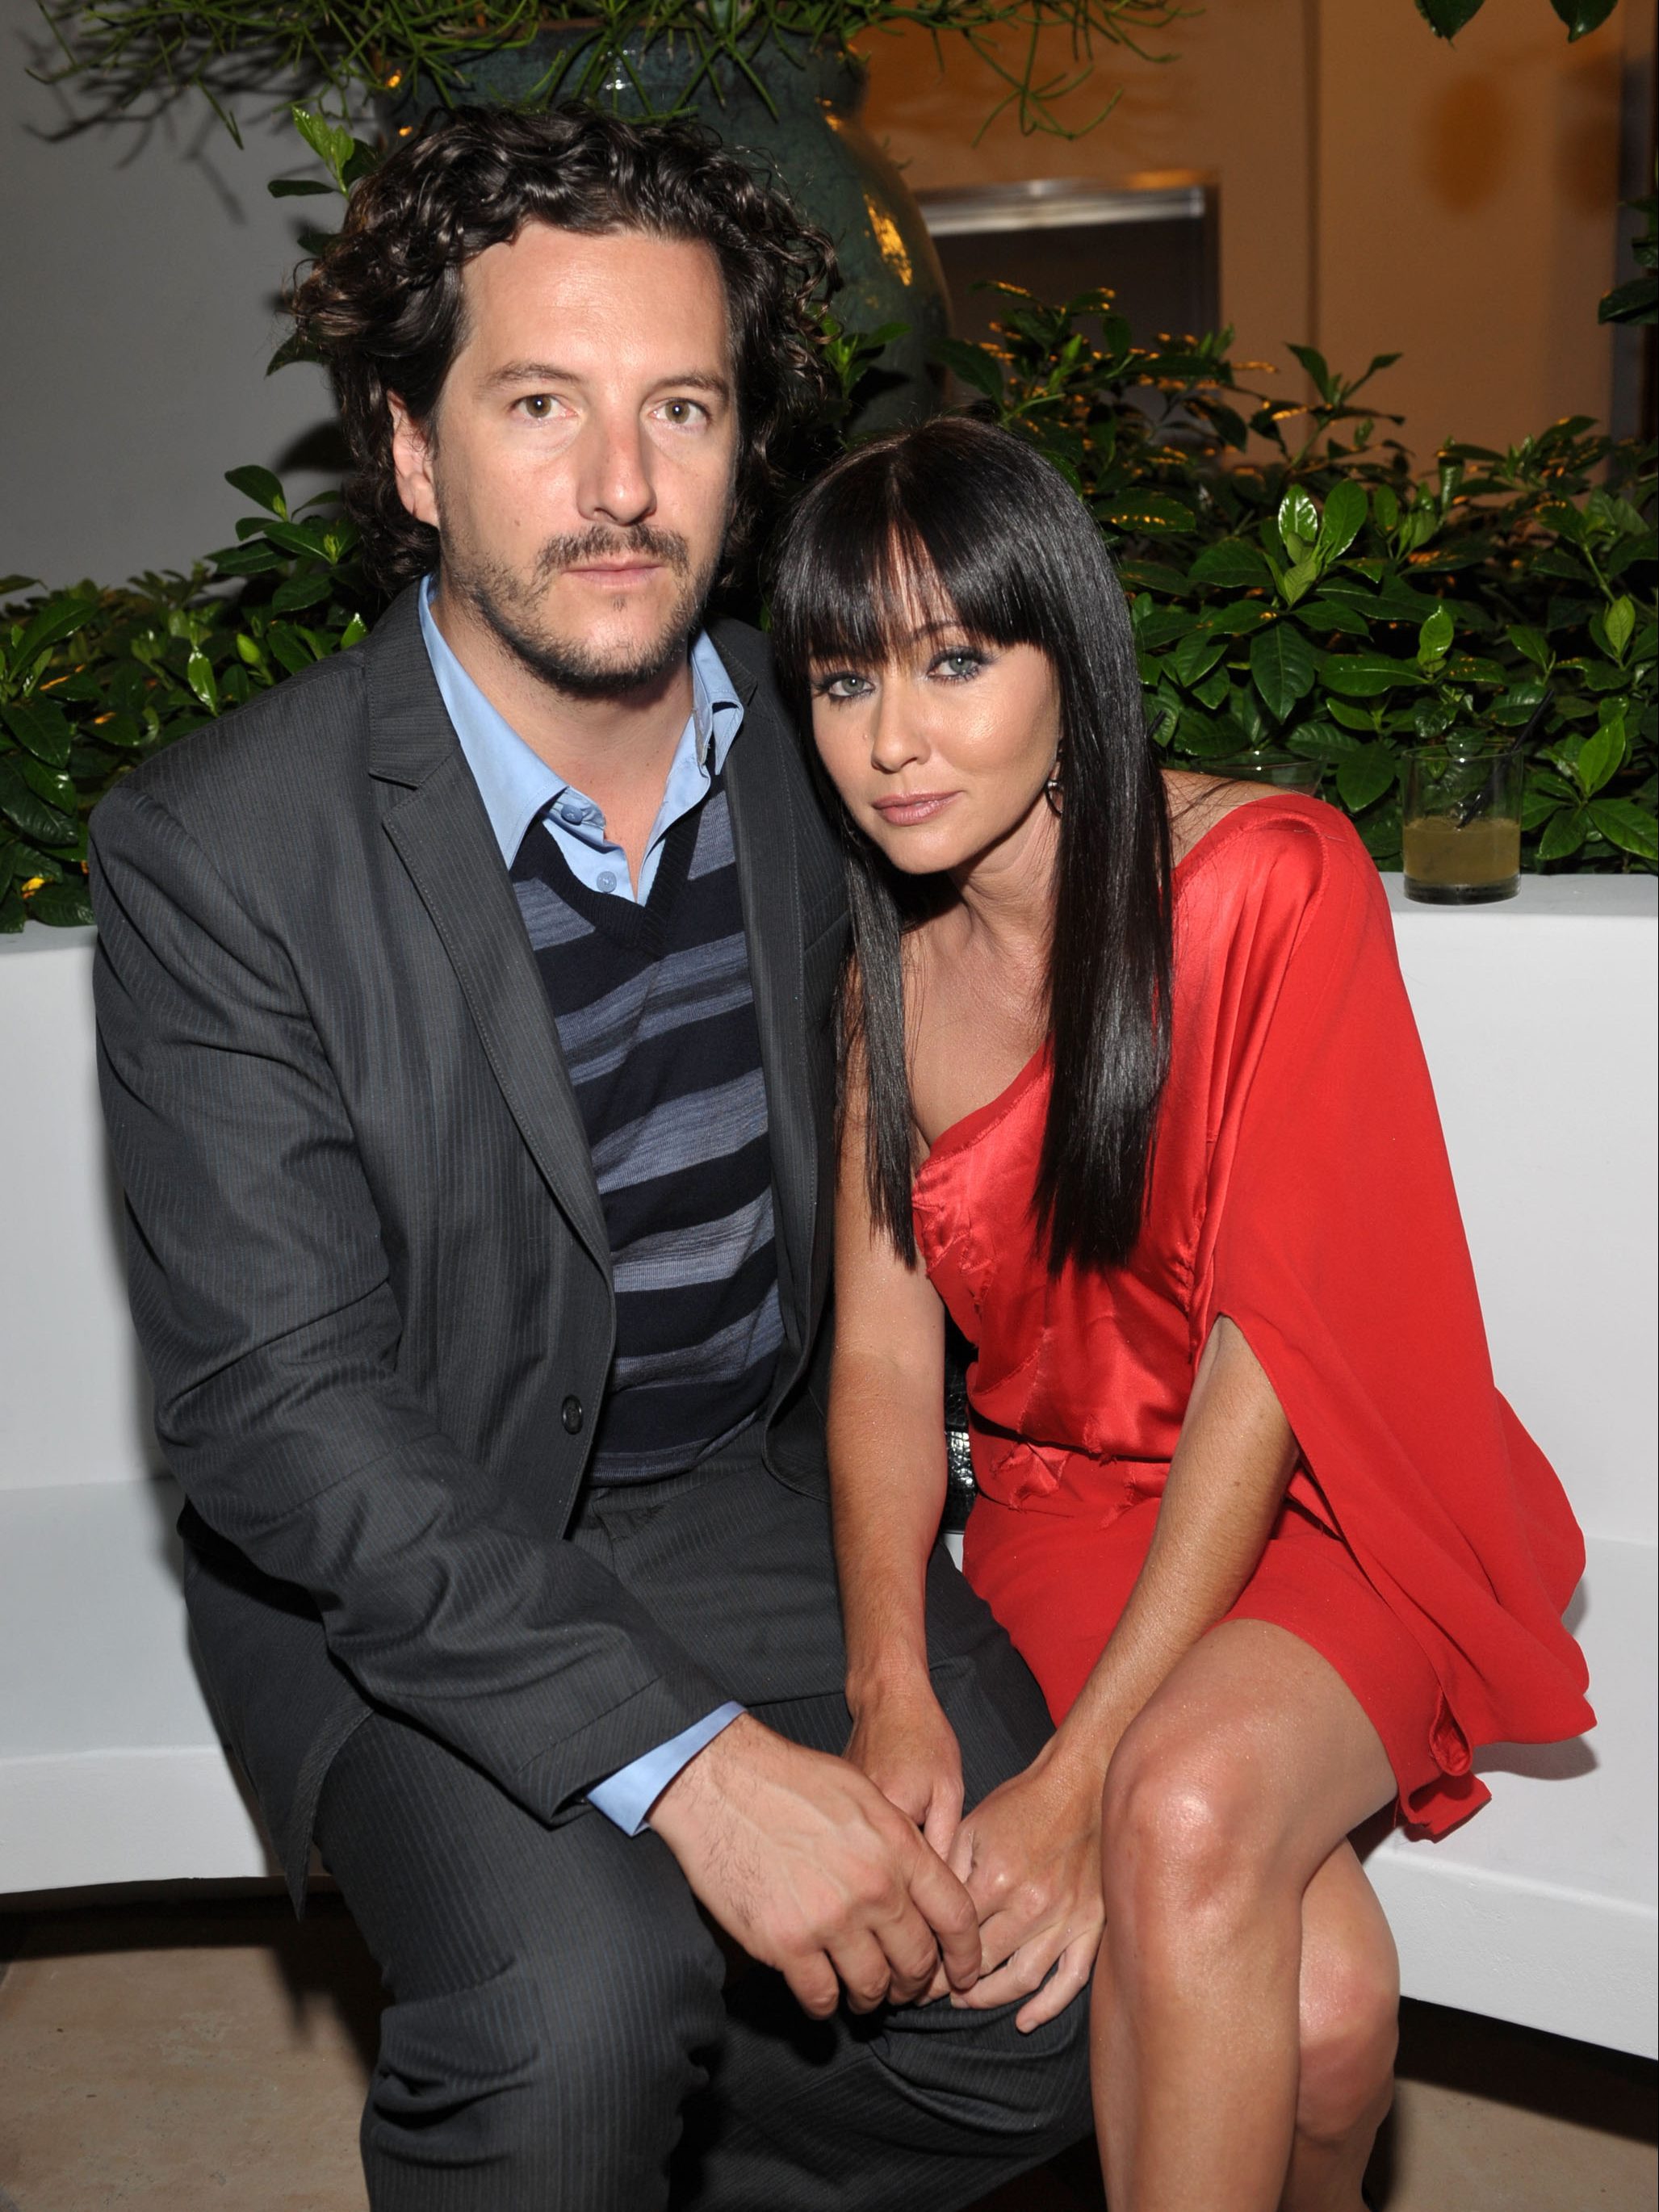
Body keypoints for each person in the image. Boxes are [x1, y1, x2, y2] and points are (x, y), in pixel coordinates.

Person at [89, 111, 1092, 2210]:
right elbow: (283, 1417)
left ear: (745, 451)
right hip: (413, 1534)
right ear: (420, 451)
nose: (622, 483)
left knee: (1047, 2007)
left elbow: (1088, 850)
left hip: (747, 1478)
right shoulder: (222, 850)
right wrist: (701, 1772)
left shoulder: (835, 749)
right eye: (542, 404)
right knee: (570, 2010)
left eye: (683, 408)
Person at [769, 414, 1594, 2212]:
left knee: (1180, 1811)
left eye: (957, 661)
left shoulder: (1262, 882)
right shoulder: (879, 992)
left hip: (1335, 1487)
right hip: (1072, 1510)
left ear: (1071, 652)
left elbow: (1269, 1357)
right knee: (1315, 2018)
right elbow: (889, 1365)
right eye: (843, 681)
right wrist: (887, 1682)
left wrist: (1069, 1781)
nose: (893, 738)